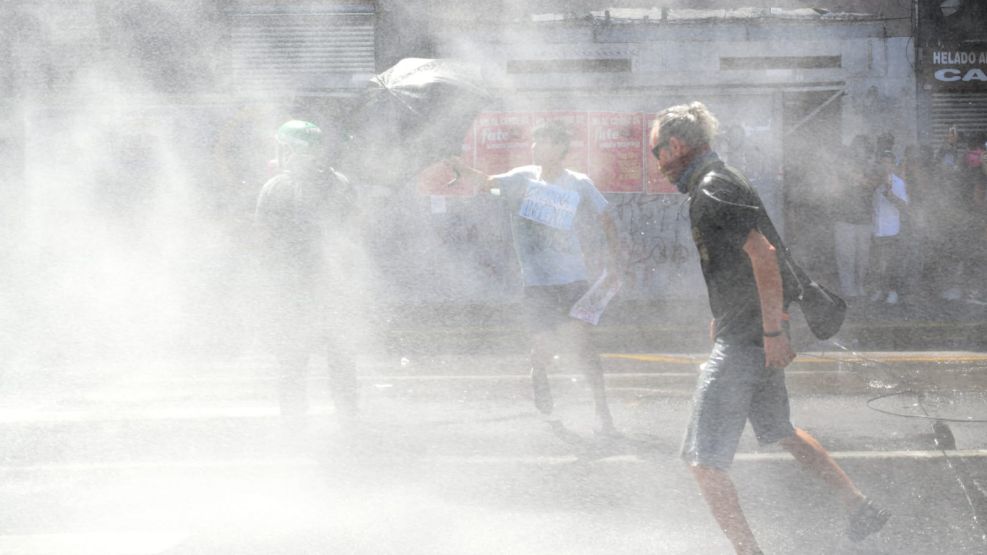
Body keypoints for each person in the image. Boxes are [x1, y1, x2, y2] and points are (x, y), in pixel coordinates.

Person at [649, 102, 890, 554]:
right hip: (749, 330)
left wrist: (772, 333)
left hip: (747, 341)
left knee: (703, 462)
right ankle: (859, 505)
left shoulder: (712, 188)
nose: (657, 163)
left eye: (656, 152)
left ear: (676, 146)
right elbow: (739, 263)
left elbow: (763, 255)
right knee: (782, 430)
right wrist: (732, 316)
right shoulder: (721, 180)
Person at [446, 121, 621, 436]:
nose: (534, 148)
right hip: (537, 284)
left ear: (559, 148)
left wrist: (615, 257)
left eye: (541, 143)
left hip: (573, 281)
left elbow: (605, 215)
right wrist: (461, 169)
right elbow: (486, 183)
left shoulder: (578, 183)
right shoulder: (520, 179)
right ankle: (538, 372)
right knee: (543, 346)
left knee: (583, 347)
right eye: (534, 143)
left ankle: (603, 414)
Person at [255, 120, 361, 421]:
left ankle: (293, 421)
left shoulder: (275, 187)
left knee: (291, 362)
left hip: (292, 289)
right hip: (334, 286)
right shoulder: (341, 183)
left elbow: (264, 242)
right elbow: (354, 234)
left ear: (289, 150)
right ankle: (348, 416)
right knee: (341, 358)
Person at [832, 135, 878, 299]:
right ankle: (848, 289)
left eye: (863, 148)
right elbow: (834, 190)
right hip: (844, 217)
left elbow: (872, 183)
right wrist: (852, 178)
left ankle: (860, 286)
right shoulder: (841, 167)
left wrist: (857, 178)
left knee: (863, 258)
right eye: (857, 148)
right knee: (846, 256)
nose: (860, 152)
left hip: (864, 218)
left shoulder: (871, 166)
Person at [870, 150, 909, 305]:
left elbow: (905, 206)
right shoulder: (875, 183)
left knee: (891, 264)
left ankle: (893, 292)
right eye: (883, 162)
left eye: (888, 162)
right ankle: (880, 290)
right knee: (878, 264)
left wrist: (889, 193)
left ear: (893, 165)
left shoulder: (898, 183)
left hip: (891, 230)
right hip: (876, 230)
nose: (885, 166)